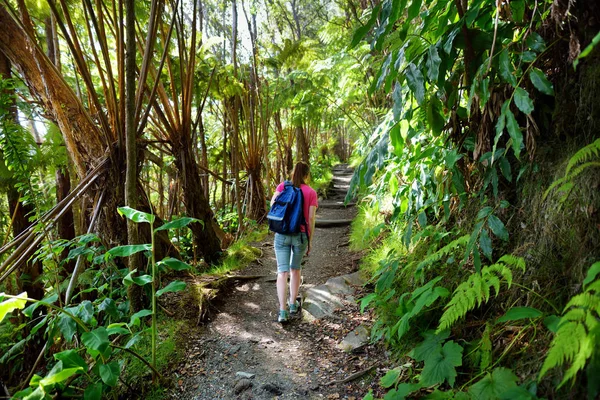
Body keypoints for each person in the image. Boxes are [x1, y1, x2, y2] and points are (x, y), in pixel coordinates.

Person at [270, 161, 318, 323]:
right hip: (300, 235)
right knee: (295, 270)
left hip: (282, 234)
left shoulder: (282, 187)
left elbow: (273, 206)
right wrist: (310, 241)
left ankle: (282, 312)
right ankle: (292, 304)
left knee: (282, 272)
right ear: (306, 175)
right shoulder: (311, 192)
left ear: (292, 173)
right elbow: (310, 218)